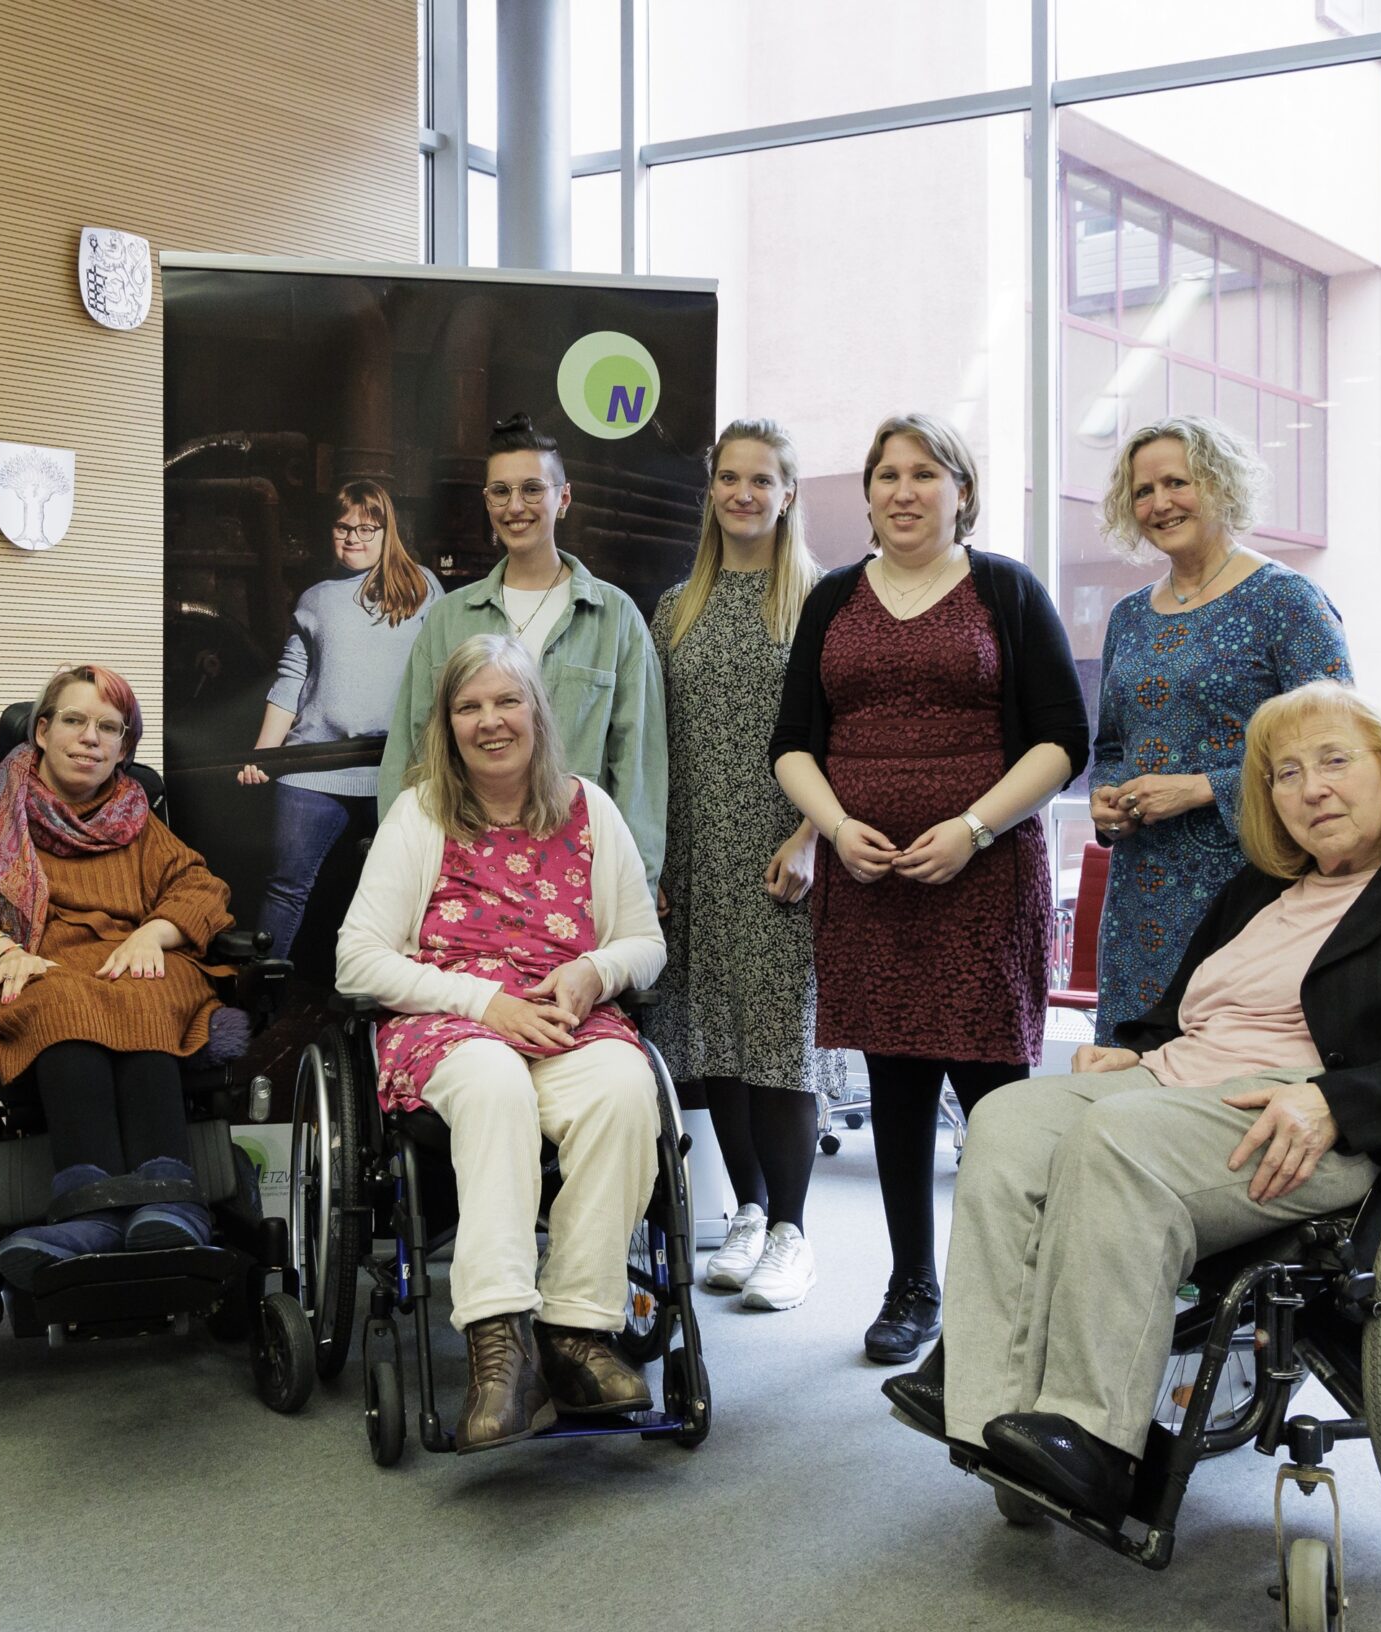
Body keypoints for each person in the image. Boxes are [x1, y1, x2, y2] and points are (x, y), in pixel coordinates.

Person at [891, 679, 1381, 1525]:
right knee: (1008, 1118)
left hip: (1302, 1118)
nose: (1309, 788)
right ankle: (985, 1404)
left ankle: (1093, 1440)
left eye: (1334, 762)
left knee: (1118, 1137)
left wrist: (1338, 1102)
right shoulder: (1257, 891)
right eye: (1283, 774)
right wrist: (1131, 1049)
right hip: (1175, 1082)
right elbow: (1187, 1013)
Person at [769, 414, 1088, 1366]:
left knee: (995, 1096)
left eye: (924, 473)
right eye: (885, 475)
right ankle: (913, 1285)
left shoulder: (1006, 591)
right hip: (870, 884)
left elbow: (1063, 739)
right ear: (866, 496)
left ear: (962, 490)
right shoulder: (831, 600)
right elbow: (792, 744)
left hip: (983, 878)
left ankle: (1005, 1291)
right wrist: (833, 831)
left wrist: (973, 828)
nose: (903, 490)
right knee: (897, 1086)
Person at [337, 634, 667, 1452]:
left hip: (564, 1015)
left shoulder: (591, 807)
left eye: (506, 701)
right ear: (447, 725)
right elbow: (357, 959)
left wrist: (594, 970)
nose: (490, 721)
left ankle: (577, 1335)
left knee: (626, 1091)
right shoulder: (419, 813)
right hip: (453, 1021)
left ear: (537, 711)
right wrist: (487, 1002)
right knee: (493, 1085)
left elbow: (644, 942)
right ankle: (500, 1351)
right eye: (468, 706)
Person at [0, 665, 237, 1285]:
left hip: (128, 958)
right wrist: (1, 950)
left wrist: (152, 933)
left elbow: (200, 886)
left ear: (124, 748)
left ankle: (171, 1199)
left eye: (108, 727)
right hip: (30, 959)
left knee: (148, 986)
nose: (91, 737)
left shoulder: (137, 815)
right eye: (75, 720)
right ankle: (90, 1207)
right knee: (58, 995)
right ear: (41, 729)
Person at [647, 420, 848, 1313]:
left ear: (789, 492)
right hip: (696, 852)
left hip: (781, 852)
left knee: (779, 1046)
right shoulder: (672, 608)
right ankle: (750, 1214)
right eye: (727, 478)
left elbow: (843, 738)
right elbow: (654, 746)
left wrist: (811, 835)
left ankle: (796, 1231)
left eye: (761, 480)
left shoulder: (821, 601)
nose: (742, 494)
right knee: (717, 1042)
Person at [1085, 415, 1353, 1043]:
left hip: (1252, 884)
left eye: (1177, 482)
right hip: (1139, 897)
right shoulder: (1127, 616)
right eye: (1143, 492)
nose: (1159, 503)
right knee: (1131, 1073)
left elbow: (1339, 747)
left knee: (1223, 1082)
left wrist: (1202, 787)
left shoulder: (1287, 600)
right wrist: (1107, 798)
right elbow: (1112, 744)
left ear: (1221, 485)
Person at [375, 413, 668, 887]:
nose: (517, 506)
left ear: (563, 498)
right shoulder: (449, 619)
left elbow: (638, 767)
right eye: (500, 491)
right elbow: (411, 754)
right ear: (486, 501)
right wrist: (399, 872)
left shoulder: (615, 618)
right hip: (463, 868)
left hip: (580, 869)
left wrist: (639, 882)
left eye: (533, 489)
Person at [236, 479, 442, 962]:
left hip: (392, 770)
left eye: (367, 527)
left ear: (388, 530)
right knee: (286, 887)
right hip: (312, 768)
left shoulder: (422, 588)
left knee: (402, 893)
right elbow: (291, 679)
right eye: (343, 526)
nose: (354, 537)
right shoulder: (315, 598)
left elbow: (443, 675)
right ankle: (259, 1008)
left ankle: (396, 1009)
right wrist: (263, 756)